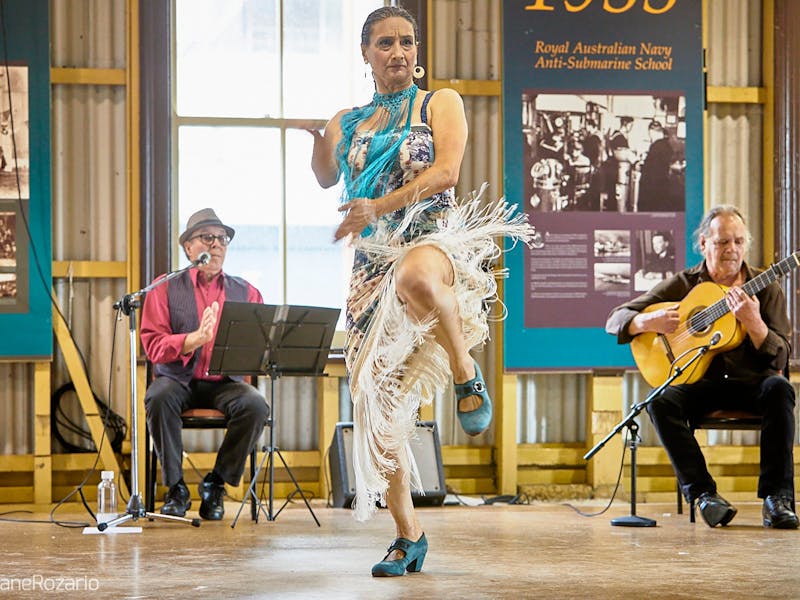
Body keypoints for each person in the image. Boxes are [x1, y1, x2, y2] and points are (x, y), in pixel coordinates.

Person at [306, 6, 533, 576]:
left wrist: (377, 206)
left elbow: (448, 173)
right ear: (366, 53)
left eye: (407, 41)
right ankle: (408, 535)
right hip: (369, 264)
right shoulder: (348, 120)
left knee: (415, 275)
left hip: (434, 239)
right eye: (386, 43)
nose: (399, 52)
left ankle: (464, 371)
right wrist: (316, 142)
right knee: (377, 408)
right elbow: (327, 178)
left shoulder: (441, 103)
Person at [606, 206, 797, 529]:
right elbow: (615, 319)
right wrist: (646, 320)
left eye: (738, 241)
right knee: (658, 401)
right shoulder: (684, 284)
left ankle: (776, 499)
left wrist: (754, 324)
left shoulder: (765, 288)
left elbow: (781, 356)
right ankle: (704, 495)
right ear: (704, 243)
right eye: (723, 242)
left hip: (753, 384)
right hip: (702, 384)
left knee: (780, 388)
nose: (731, 250)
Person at [141, 208, 269, 521]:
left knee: (256, 405)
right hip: (177, 381)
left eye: (221, 239)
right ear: (188, 248)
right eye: (207, 238)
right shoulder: (163, 288)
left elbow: (258, 346)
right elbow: (153, 346)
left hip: (223, 383)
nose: (215, 245)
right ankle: (176, 488)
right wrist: (192, 340)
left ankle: (216, 484)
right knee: (157, 397)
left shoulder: (247, 292)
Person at [637, 120, 676, 212]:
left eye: (650, 134)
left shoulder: (656, 146)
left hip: (651, 188)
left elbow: (650, 168)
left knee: (648, 210)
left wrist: (640, 166)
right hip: (661, 186)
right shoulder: (667, 145)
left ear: (652, 132)